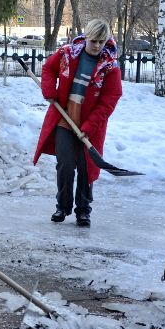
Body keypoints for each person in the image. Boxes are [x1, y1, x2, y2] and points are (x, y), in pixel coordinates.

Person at [33, 19, 122, 227]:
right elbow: (48, 69)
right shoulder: (67, 54)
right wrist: (49, 91)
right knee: (65, 164)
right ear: (86, 37)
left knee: (86, 166)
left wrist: (89, 127)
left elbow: (110, 100)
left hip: (91, 123)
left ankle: (83, 210)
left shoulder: (110, 66)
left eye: (102, 41)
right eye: (94, 41)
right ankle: (62, 206)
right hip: (65, 117)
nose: (98, 46)